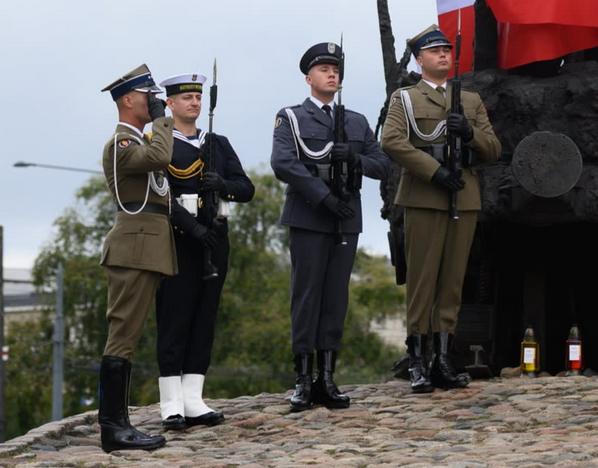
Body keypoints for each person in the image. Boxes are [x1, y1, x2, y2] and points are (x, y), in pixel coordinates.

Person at [381, 25, 502, 394]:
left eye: (447, 50)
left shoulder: (470, 100)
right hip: (424, 195)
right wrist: (435, 172)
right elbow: (392, 142)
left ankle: (444, 358)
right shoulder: (405, 98)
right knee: (422, 281)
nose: (443, 55)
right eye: (434, 51)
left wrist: (469, 133)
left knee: (452, 281)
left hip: (463, 196)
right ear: (420, 60)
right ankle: (418, 359)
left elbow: (493, 149)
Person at [272, 42, 391, 411]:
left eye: (336, 69)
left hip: (347, 216)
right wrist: (323, 197)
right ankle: (303, 379)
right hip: (310, 214)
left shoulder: (355, 121)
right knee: (306, 296)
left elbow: (383, 163)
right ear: (309, 77)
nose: (332, 74)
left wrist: (354, 157)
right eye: (324, 69)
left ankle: (327, 376)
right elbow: (283, 163)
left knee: (336, 297)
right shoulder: (291, 117)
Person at [153, 73, 255, 430]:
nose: (194, 103)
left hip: (214, 238)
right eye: (186, 98)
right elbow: (158, 194)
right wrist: (191, 227)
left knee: (204, 317)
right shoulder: (160, 143)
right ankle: (170, 402)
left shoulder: (217, 143)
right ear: (170, 103)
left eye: (197, 97)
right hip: (178, 239)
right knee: (174, 316)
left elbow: (247, 188)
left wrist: (222, 184)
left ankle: (194, 398)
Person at [97, 64, 175, 452]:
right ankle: (113, 428)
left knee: (129, 337)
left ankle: (120, 423)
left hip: (146, 248)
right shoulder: (122, 146)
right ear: (129, 100)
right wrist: (163, 121)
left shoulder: (136, 142)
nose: (156, 102)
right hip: (133, 249)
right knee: (123, 336)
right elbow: (161, 156)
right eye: (149, 96)